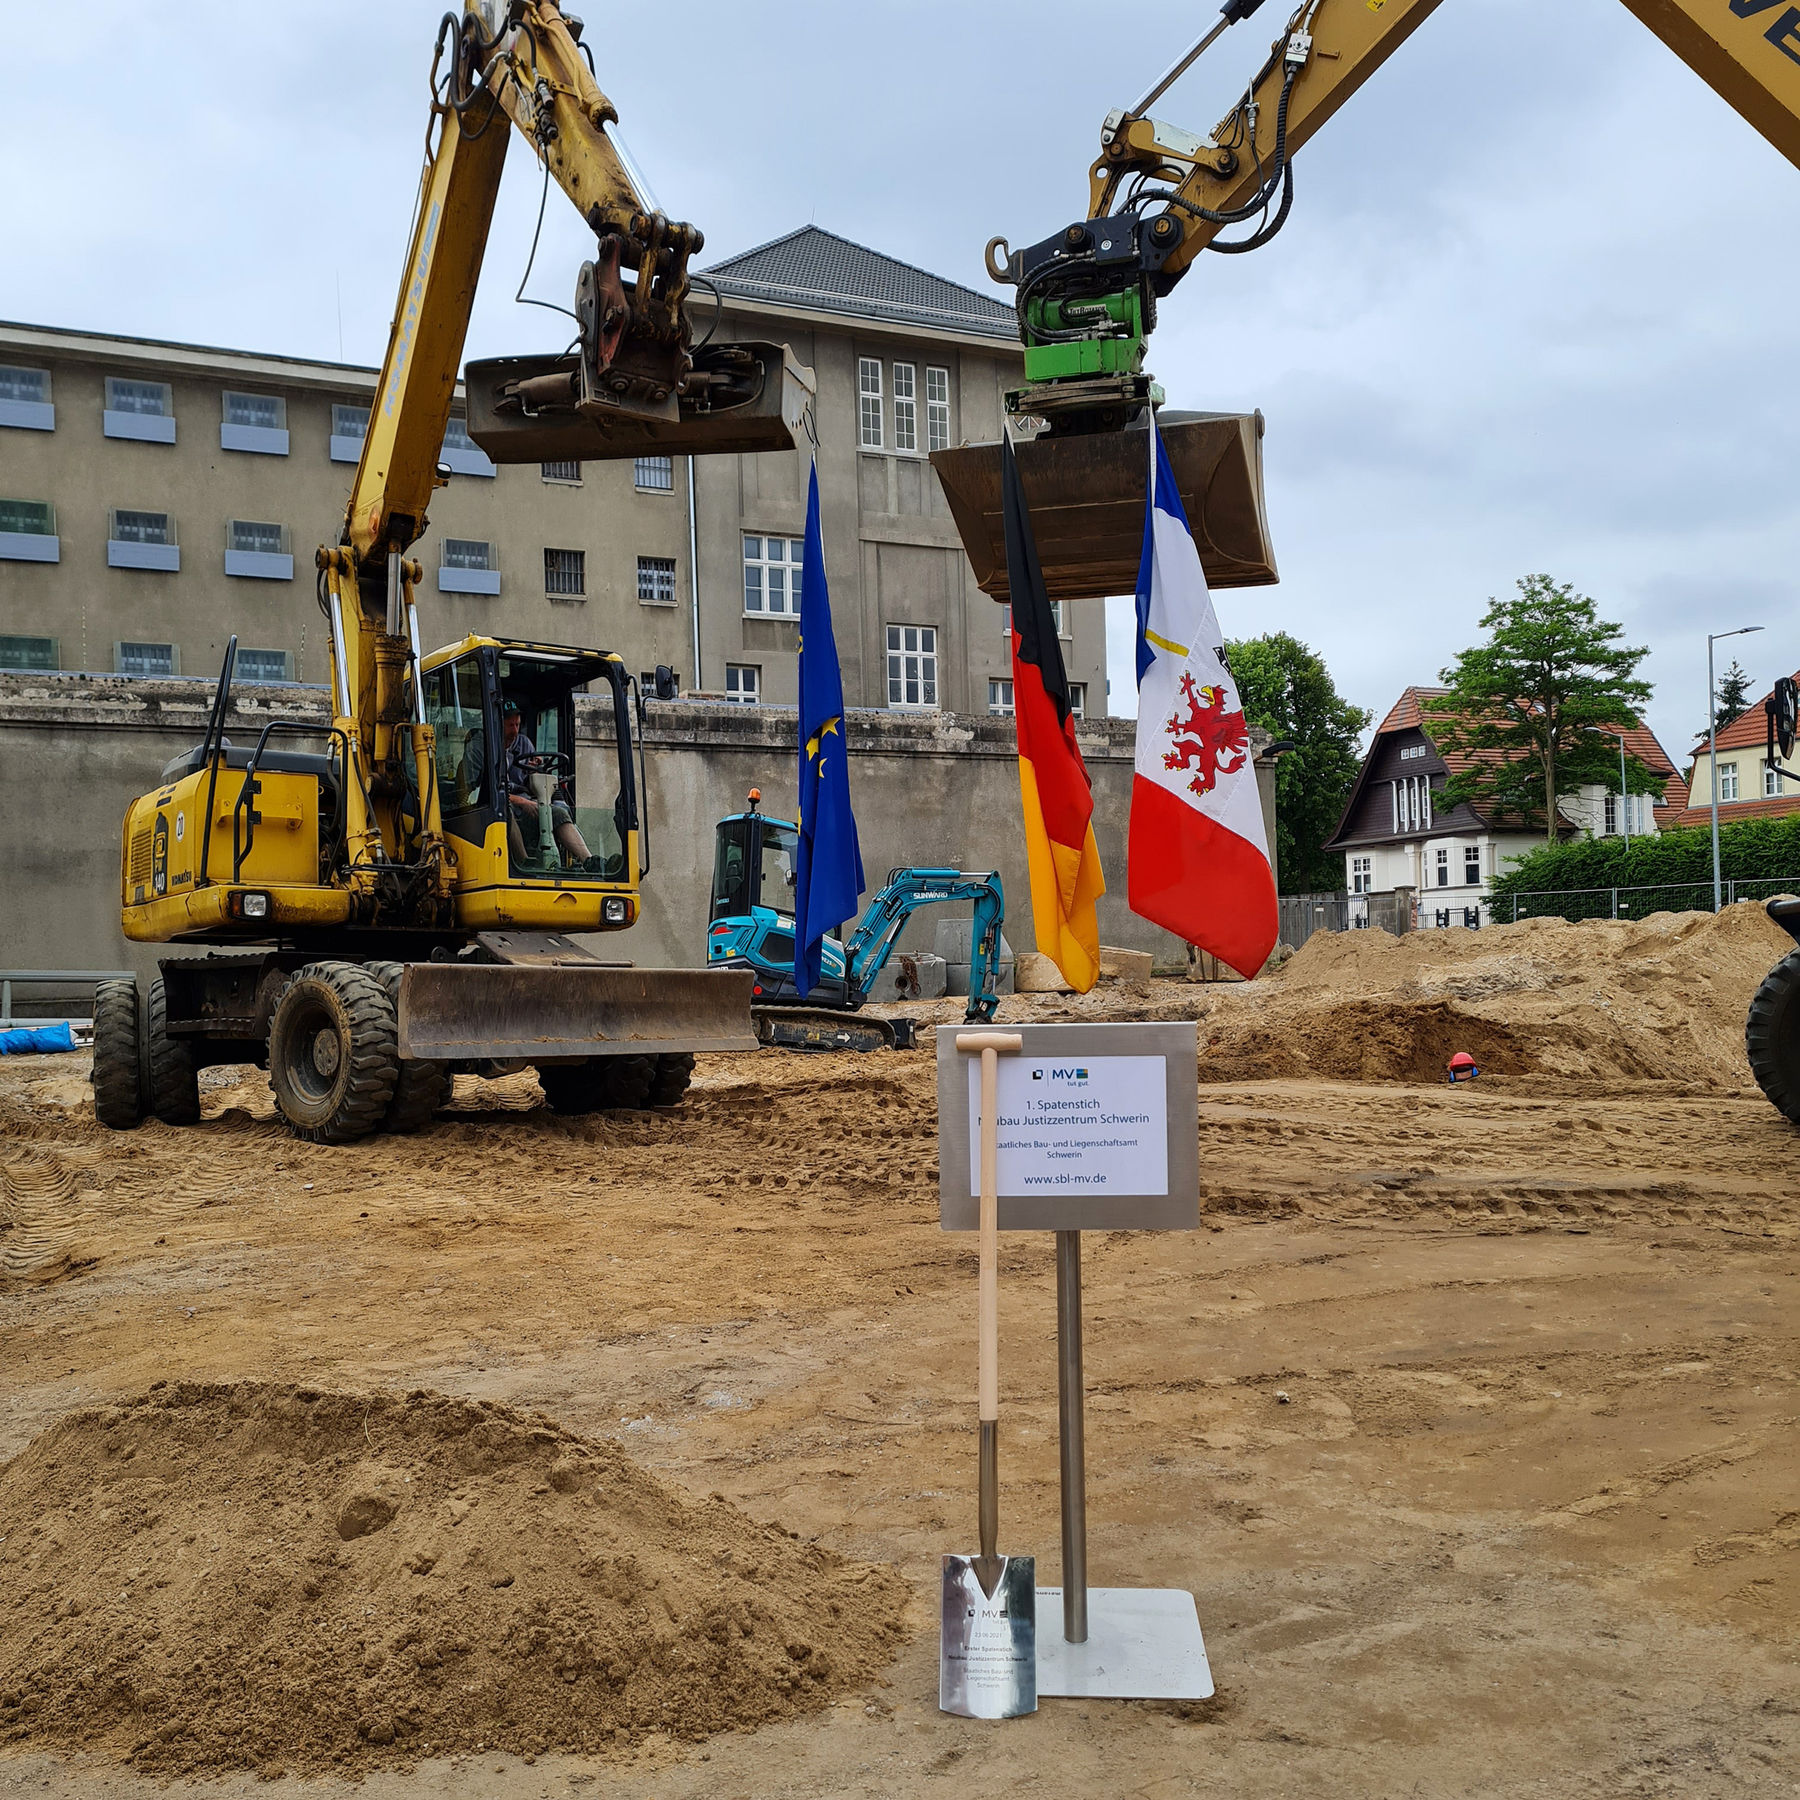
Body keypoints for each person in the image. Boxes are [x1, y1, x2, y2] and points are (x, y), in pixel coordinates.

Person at [499, 700, 596, 867]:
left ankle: (589, 861)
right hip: (503, 810)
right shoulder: (484, 748)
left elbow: (534, 786)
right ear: (498, 724)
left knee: (557, 812)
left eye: (517, 725)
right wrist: (522, 802)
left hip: (528, 807)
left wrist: (535, 771)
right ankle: (524, 864)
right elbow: (485, 793)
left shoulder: (523, 743)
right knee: (504, 810)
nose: (514, 731)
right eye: (510, 725)